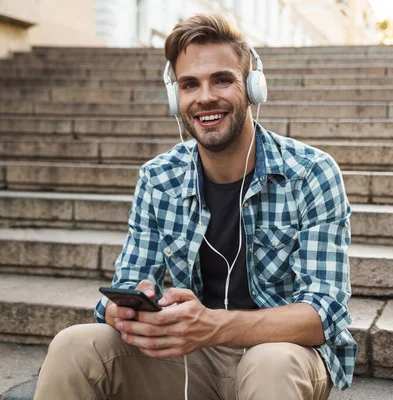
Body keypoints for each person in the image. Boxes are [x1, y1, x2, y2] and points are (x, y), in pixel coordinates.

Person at [33, 12, 355, 400]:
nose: (205, 97)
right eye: (189, 84)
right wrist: (124, 310)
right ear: (176, 97)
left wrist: (212, 325)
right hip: (191, 359)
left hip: (284, 354)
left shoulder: (310, 173)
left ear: (253, 88)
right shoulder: (159, 178)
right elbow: (125, 285)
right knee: (75, 346)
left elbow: (324, 313)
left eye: (222, 79)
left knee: (269, 364)